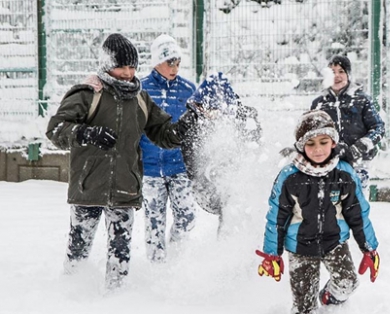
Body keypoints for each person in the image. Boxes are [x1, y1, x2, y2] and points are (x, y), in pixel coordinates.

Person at [45, 33, 195, 289]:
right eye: (121, 66)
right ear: (106, 65)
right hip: (88, 186)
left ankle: (116, 301)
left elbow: (163, 133)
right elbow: (56, 130)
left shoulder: (139, 98)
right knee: (78, 248)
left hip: (125, 187)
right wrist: (85, 133)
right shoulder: (87, 94)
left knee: (120, 253)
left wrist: (184, 126)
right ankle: (70, 295)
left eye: (132, 66)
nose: (127, 72)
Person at [256, 110, 380, 314]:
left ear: (333, 142)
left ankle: (327, 300)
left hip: (335, 242)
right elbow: (276, 217)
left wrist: (369, 247)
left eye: (323, 142)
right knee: (304, 312)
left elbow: (358, 213)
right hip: (300, 246)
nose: (318, 149)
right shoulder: (290, 176)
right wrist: (272, 254)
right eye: (310, 144)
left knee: (347, 283)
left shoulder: (344, 173)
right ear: (301, 146)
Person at [180, 72, 261, 235]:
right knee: (227, 200)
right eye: (208, 108)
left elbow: (254, 147)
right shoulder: (190, 121)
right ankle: (227, 238)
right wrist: (203, 175)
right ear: (199, 105)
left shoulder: (243, 118)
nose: (213, 114)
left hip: (234, 177)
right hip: (205, 183)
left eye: (217, 109)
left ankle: (234, 238)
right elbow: (189, 157)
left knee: (233, 202)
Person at [139, 34, 197, 262]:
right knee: (154, 222)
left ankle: (176, 257)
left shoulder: (188, 89)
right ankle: (157, 268)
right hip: (151, 169)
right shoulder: (141, 90)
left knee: (187, 216)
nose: (175, 67)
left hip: (179, 167)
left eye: (178, 62)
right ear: (156, 62)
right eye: (169, 62)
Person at [310, 55, 385, 195]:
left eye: (341, 71)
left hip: (359, 161)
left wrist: (362, 145)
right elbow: (311, 132)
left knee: (356, 203)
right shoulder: (319, 103)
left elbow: (378, 127)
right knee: (331, 205)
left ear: (348, 75)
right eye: (333, 72)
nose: (337, 76)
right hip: (330, 161)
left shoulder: (361, 99)